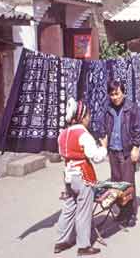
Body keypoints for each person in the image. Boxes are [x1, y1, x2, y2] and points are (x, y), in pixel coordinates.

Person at [54, 98, 107, 256]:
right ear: (82, 116)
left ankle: (61, 241)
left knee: (69, 208)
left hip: (68, 175)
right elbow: (95, 157)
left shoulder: (62, 134)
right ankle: (83, 245)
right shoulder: (84, 134)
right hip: (83, 175)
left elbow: (62, 154)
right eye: (88, 115)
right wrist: (103, 147)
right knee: (83, 210)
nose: (89, 118)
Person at [104, 79, 140, 227]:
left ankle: (130, 214)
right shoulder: (107, 108)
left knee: (127, 184)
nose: (114, 97)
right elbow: (104, 127)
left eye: (117, 93)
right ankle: (122, 211)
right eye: (112, 94)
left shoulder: (132, 108)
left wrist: (136, 147)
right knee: (116, 184)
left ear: (123, 92)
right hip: (113, 151)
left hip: (126, 151)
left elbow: (139, 129)